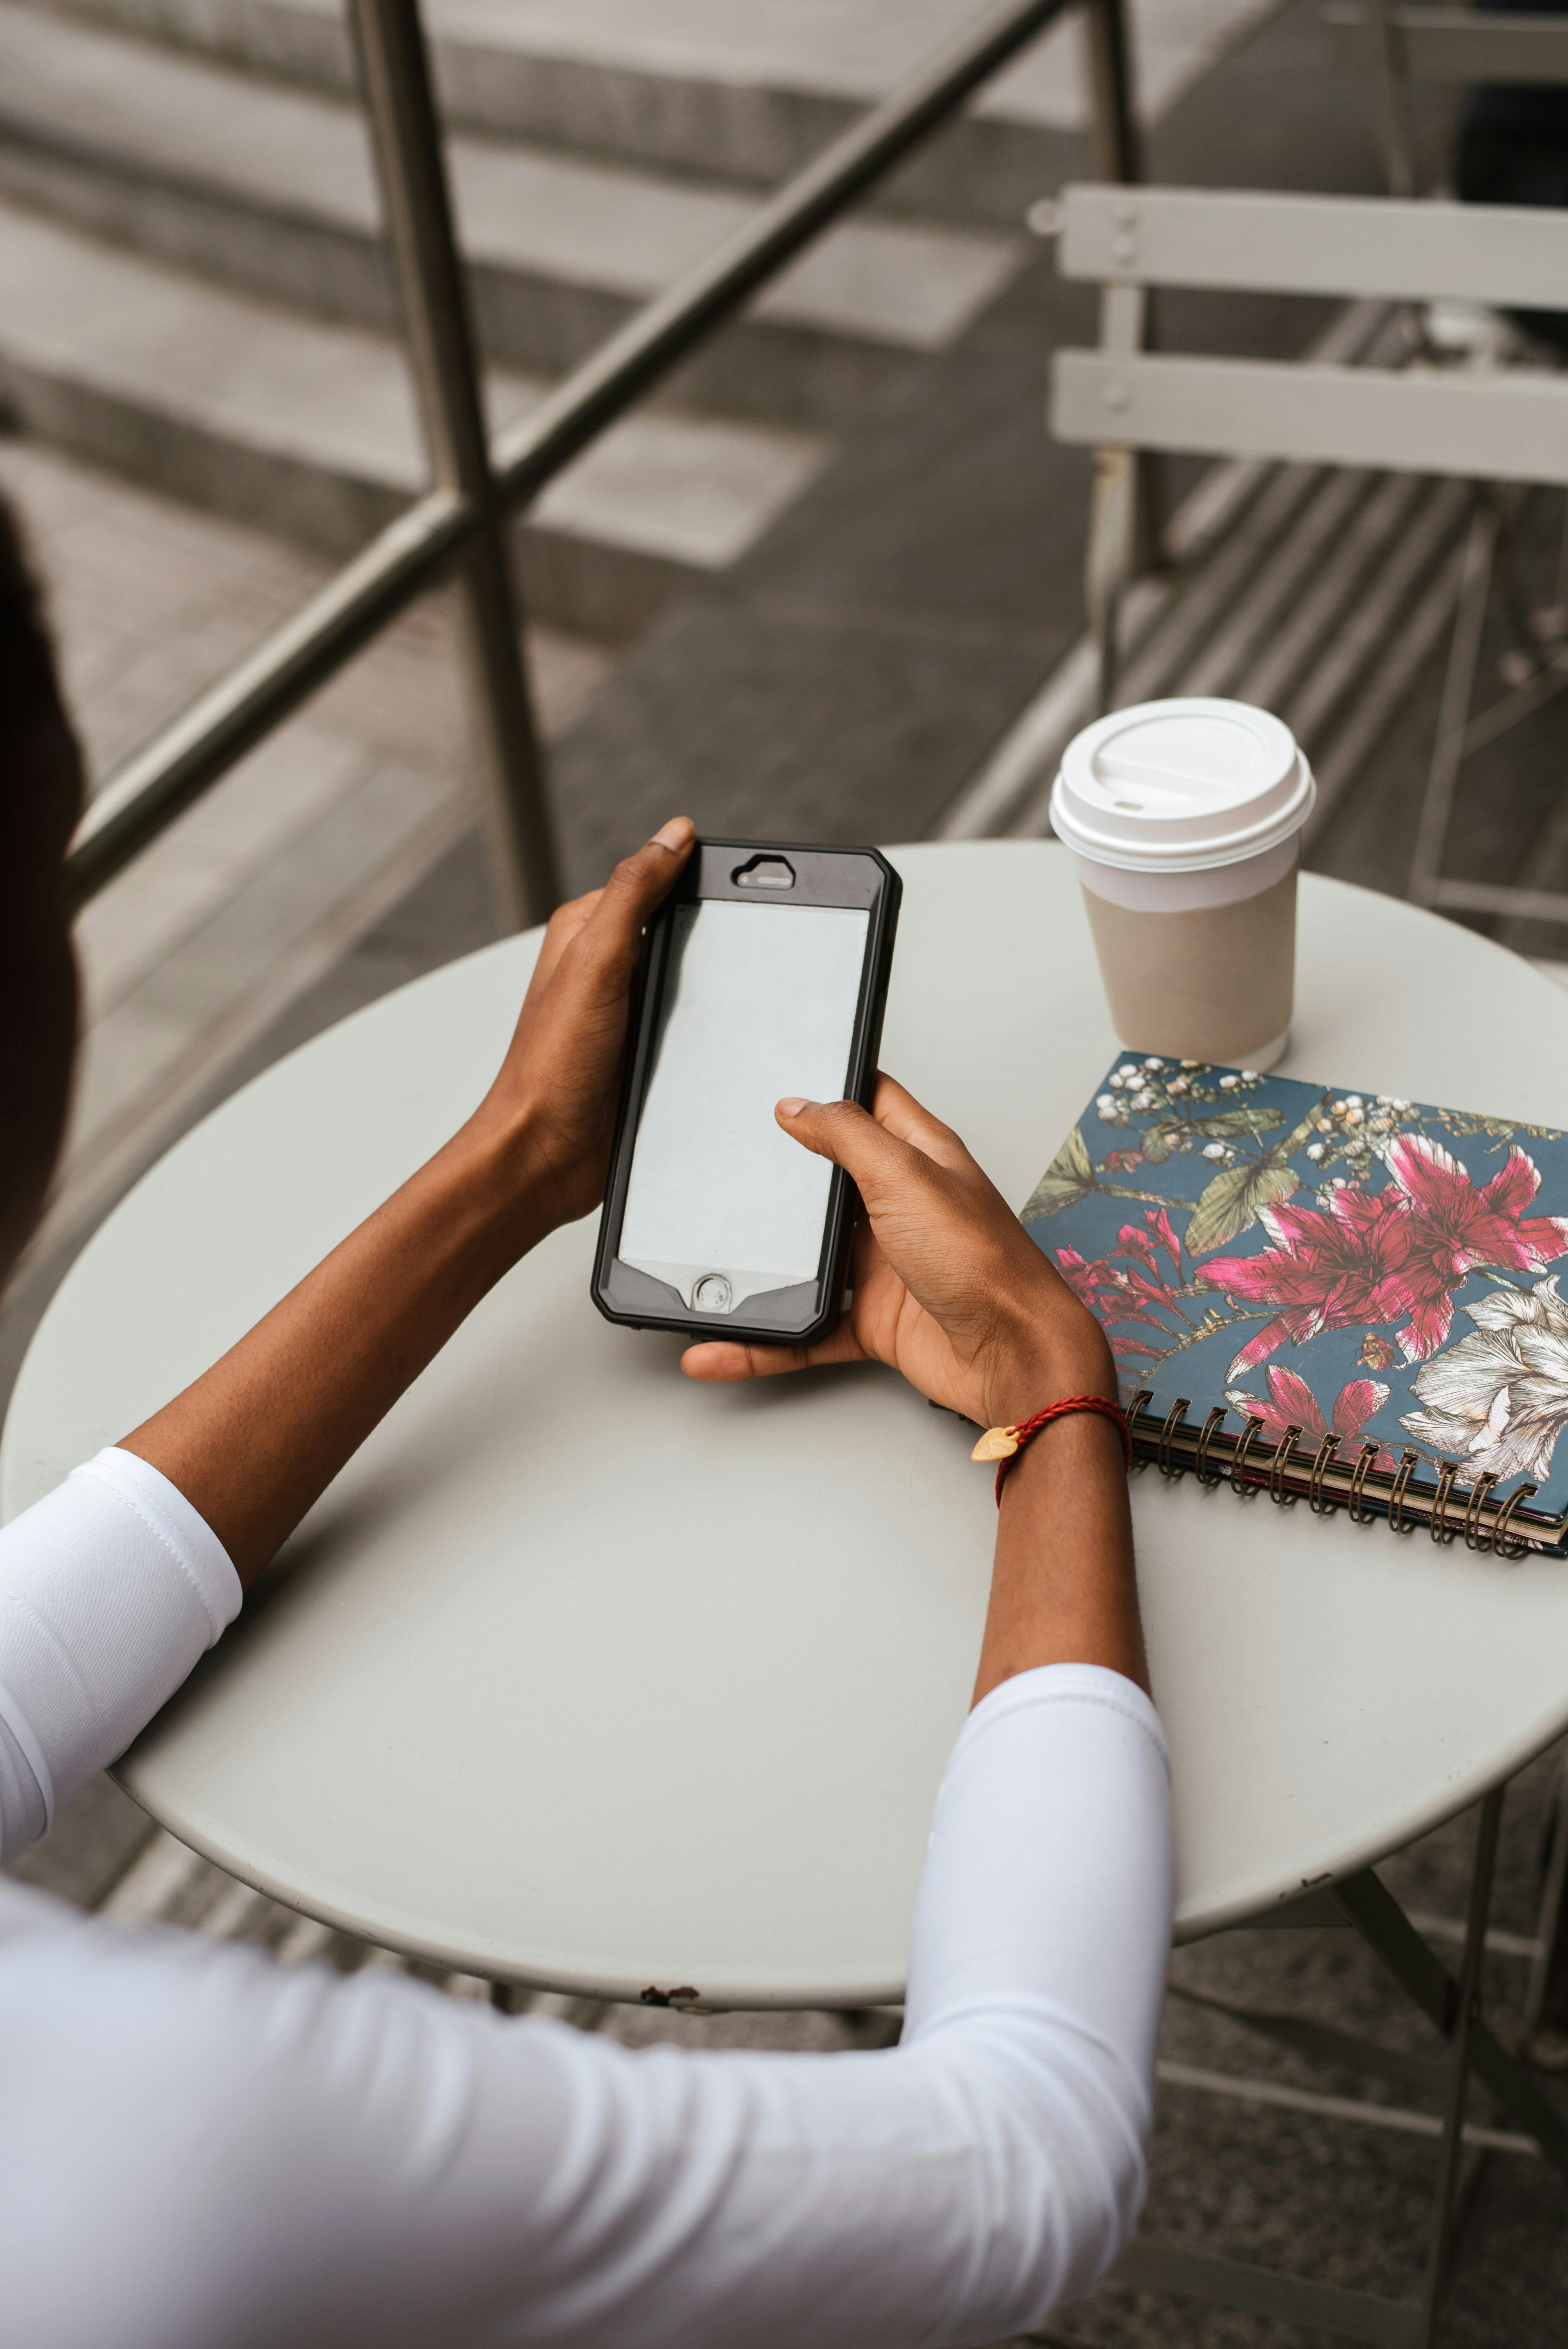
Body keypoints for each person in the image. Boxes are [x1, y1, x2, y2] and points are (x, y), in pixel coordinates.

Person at [0, 488, 1172, 2349]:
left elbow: (32, 1644)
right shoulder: (161, 2133)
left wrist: (519, 1164)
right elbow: (1020, 2162)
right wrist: (1049, 1391)